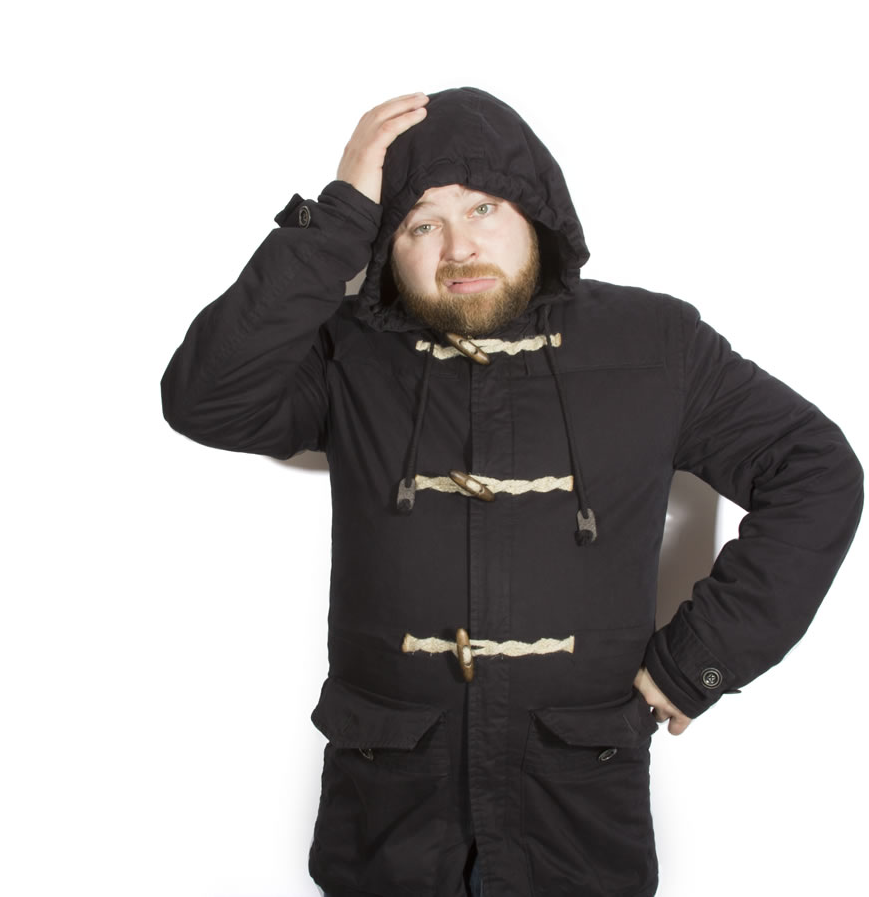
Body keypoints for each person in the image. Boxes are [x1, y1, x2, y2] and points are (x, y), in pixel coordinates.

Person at [160, 87, 863, 897]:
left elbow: (814, 469)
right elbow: (205, 400)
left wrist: (699, 661)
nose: (459, 247)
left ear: (536, 212)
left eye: (483, 208)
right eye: (421, 225)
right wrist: (340, 213)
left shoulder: (656, 344)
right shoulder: (349, 351)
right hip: (388, 812)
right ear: (386, 245)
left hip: (577, 803)